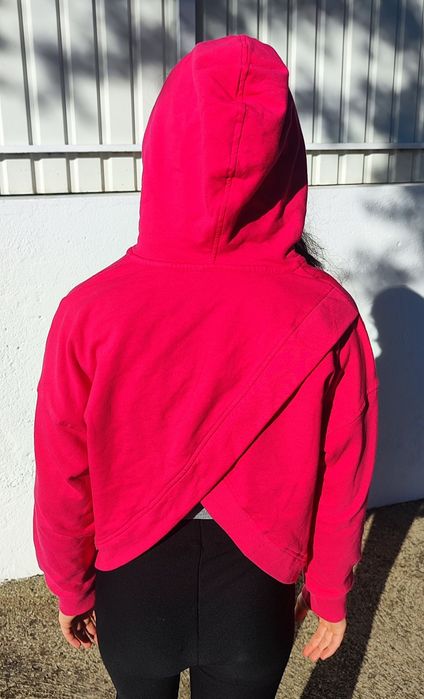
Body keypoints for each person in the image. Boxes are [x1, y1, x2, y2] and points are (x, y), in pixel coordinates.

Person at [33, 33, 379, 699]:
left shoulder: (88, 310)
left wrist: (69, 584)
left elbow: (62, 467)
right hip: (255, 593)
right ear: (288, 157)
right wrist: (331, 591)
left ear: (164, 146)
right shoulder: (329, 313)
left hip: (134, 587)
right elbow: (346, 470)